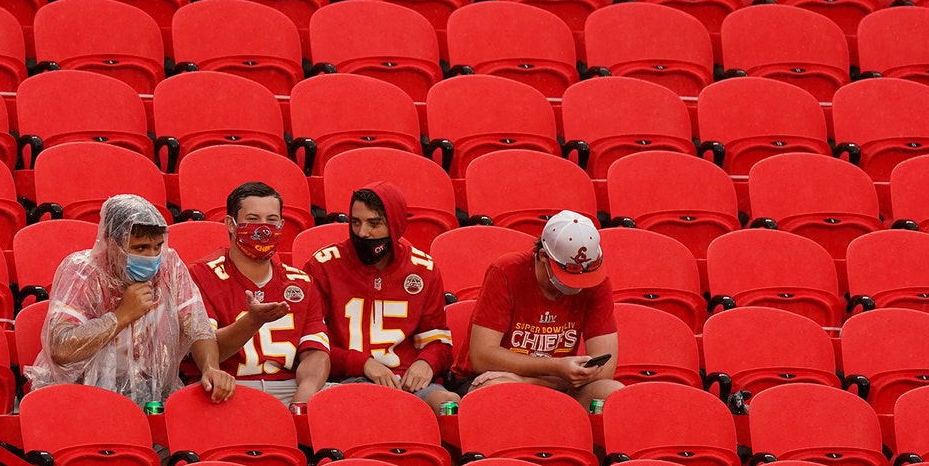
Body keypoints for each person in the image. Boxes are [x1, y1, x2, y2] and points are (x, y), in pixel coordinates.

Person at [26, 194, 235, 406]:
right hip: (79, 394)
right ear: (111, 243)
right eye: (140, 248)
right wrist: (122, 315)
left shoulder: (169, 264)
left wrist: (210, 368)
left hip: (149, 390)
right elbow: (61, 349)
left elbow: (196, 325)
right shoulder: (82, 271)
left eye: (157, 247)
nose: (152, 256)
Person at [302, 181, 459, 413]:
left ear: (395, 225)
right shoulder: (324, 265)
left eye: (374, 223)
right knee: (382, 407)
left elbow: (439, 342)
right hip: (346, 380)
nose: (363, 233)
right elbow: (309, 346)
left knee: (450, 404)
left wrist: (426, 363)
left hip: (406, 381)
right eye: (356, 222)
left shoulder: (423, 269)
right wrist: (363, 363)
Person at [454, 210, 623, 409]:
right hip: (491, 377)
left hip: (560, 382)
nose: (579, 285)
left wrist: (538, 380)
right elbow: (482, 356)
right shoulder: (507, 271)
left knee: (613, 392)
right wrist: (556, 368)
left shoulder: (596, 282)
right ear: (543, 256)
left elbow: (605, 368)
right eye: (570, 273)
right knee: (497, 388)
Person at [188, 182, 331, 407]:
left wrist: (304, 398)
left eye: (272, 220)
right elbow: (203, 352)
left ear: (282, 224)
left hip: (290, 386)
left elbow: (316, 351)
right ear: (231, 224)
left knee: (354, 400)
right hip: (228, 387)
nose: (263, 229)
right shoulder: (201, 274)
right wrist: (253, 321)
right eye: (253, 219)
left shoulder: (302, 282)